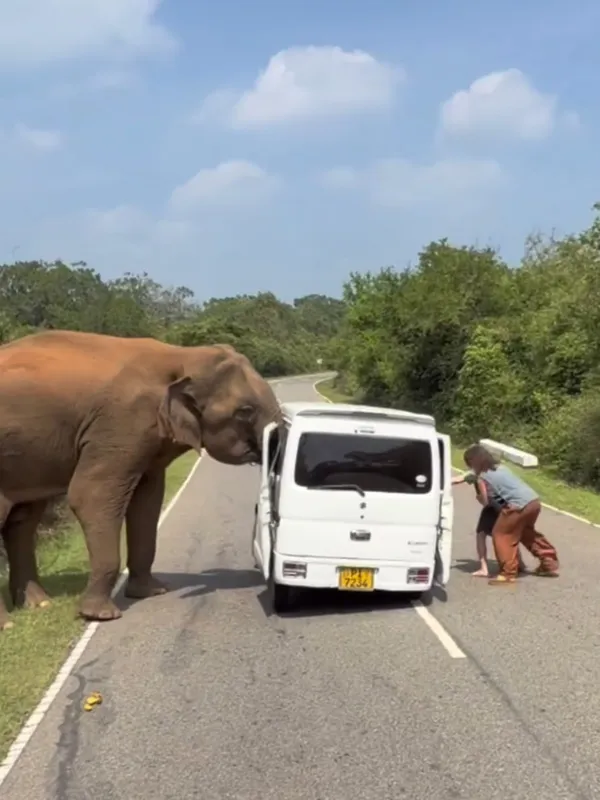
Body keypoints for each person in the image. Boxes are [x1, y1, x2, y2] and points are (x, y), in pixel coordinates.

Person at [462, 444, 560, 586]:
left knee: (501, 534)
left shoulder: (482, 476)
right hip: (533, 501)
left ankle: (508, 574)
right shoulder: (502, 468)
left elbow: (485, 502)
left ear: (473, 461)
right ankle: (548, 562)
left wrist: (479, 497)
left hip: (517, 506)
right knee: (526, 532)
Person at [452, 472, 526, 578]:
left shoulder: (477, 473)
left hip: (492, 506)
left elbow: (458, 480)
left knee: (481, 534)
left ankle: (484, 568)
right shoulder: (496, 472)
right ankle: (520, 563)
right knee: (508, 535)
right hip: (506, 505)